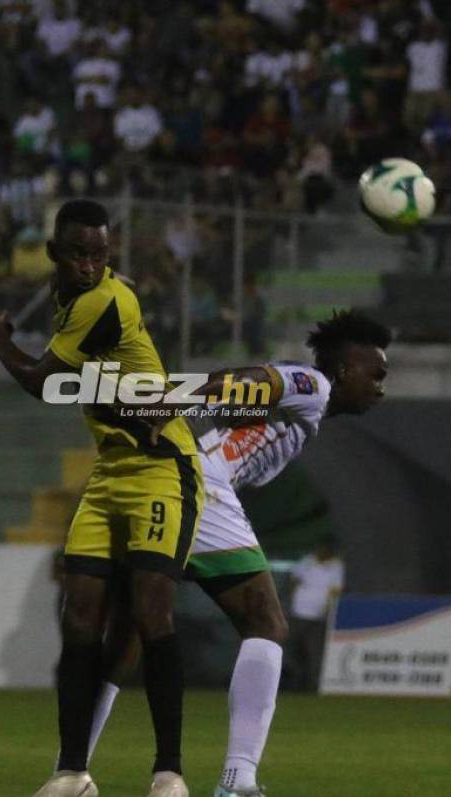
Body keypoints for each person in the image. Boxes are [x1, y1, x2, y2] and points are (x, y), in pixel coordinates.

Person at [81, 310, 390, 797]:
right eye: (377, 374)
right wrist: (172, 403)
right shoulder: (312, 383)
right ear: (348, 369)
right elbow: (239, 380)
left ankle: (70, 772)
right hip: (200, 487)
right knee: (266, 621)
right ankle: (237, 779)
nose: (381, 387)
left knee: (125, 636)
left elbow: (246, 394)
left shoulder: (305, 402)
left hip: (169, 486)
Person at [0, 199, 202, 797]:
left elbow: (43, 383)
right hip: (110, 471)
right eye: (79, 252)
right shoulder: (71, 296)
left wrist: (0, 340)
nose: (90, 264)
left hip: (161, 466)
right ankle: (73, 772)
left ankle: (169, 772)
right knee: (78, 616)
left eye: (100, 253)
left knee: (152, 611)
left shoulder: (103, 300)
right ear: (55, 253)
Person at [285, 534, 345, 695]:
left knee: (314, 652)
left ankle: (312, 687)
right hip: (298, 613)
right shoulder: (307, 562)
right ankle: (294, 683)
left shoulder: (336, 566)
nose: (324, 551)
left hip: (318, 617)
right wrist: (292, 600)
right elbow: (293, 581)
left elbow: (335, 591)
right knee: (293, 649)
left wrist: (327, 609)